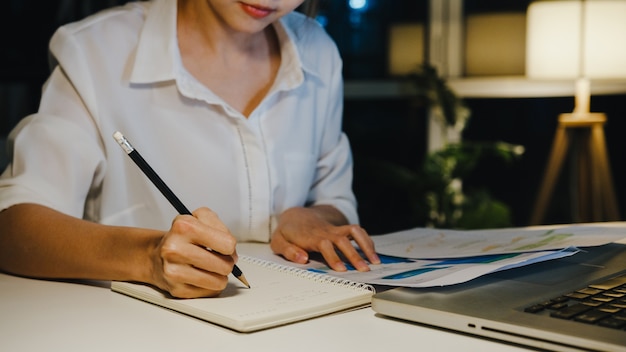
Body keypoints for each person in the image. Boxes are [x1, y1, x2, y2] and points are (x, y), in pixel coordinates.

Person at [0, 0, 380, 299]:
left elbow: (335, 199)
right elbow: (13, 229)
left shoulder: (319, 52)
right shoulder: (95, 52)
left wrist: (313, 217)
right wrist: (148, 257)